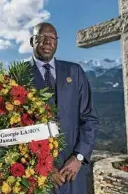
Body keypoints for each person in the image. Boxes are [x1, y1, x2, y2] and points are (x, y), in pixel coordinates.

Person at [28, 22, 99, 194]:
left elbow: (89, 119)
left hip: (73, 172)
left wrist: (78, 158)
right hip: (36, 176)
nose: (48, 41)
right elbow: (14, 129)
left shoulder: (75, 72)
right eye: (42, 37)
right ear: (32, 41)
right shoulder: (17, 76)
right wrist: (42, 166)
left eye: (52, 37)